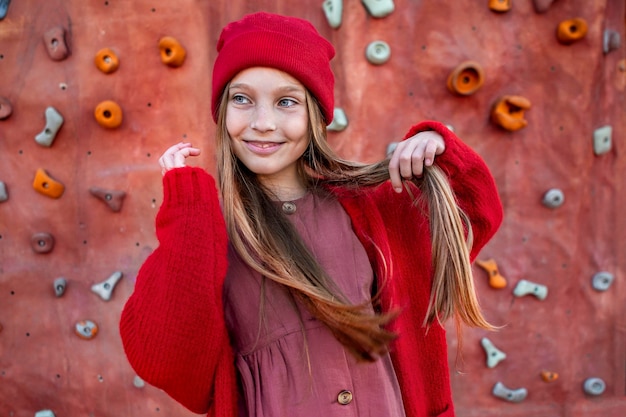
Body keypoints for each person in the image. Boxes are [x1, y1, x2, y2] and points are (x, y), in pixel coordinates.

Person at [119, 11, 503, 417]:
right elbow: (165, 360)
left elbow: (475, 216)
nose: (263, 123)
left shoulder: (374, 210)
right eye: (242, 99)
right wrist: (187, 208)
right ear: (223, 113)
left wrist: (440, 149)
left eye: (286, 102)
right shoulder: (213, 237)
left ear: (315, 116)